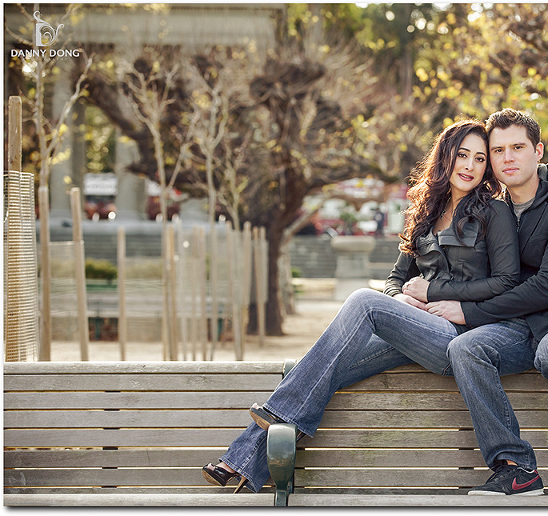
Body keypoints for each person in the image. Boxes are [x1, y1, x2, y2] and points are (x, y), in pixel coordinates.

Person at [201, 118, 521, 493]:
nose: (470, 166)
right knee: (328, 367)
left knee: (362, 301)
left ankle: (277, 412)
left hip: (461, 337)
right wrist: (401, 299)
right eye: (462, 155)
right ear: (445, 157)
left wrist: (432, 292)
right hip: (417, 331)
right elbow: (395, 278)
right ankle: (241, 463)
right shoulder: (426, 213)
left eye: (480, 159)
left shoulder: (493, 212)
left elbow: (506, 281)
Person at [403, 108, 548, 497]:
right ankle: (516, 467)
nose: (507, 158)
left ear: (537, 151)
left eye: (518, 148)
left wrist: (469, 311)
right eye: (498, 150)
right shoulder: (491, 207)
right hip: (517, 324)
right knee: (466, 348)